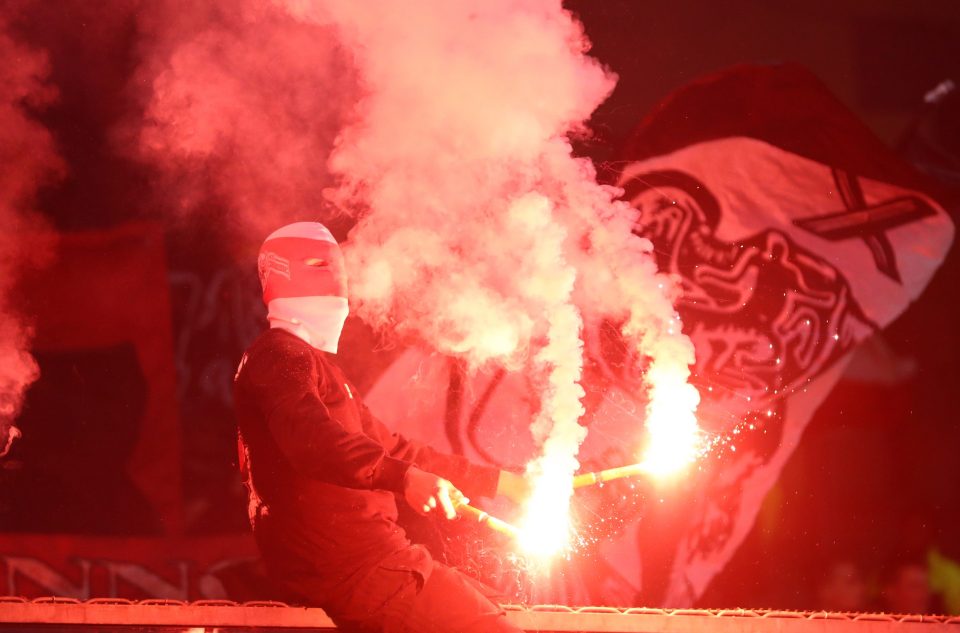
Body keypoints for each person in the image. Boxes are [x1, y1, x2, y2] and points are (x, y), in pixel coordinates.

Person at [234, 221, 527, 632]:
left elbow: (397, 450)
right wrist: (405, 478)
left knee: (500, 607)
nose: (339, 283)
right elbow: (311, 440)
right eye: (321, 265)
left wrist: (502, 483)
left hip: (372, 560)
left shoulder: (315, 366)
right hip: (355, 566)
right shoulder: (278, 356)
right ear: (284, 273)